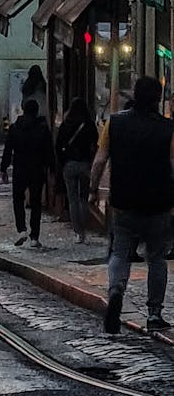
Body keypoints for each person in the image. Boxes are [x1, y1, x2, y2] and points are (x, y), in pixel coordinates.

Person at [89, 76, 174, 334]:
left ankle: (116, 290)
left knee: (119, 252)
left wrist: (93, 191)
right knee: (156, 258)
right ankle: (154, 313)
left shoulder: (114, 123)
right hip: (158, 204)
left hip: (124, 202)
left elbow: (99, 161)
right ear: (157, 99)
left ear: (134, 95)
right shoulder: (169, 129)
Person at [0, 97, 54, 249]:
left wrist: (3, 168)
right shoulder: (42, 128)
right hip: (37, 170)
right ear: (37, 111)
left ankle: (21, 229)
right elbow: (49, 151)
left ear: (23, 110)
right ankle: (34, 236)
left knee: (18, 199)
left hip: (20, 169)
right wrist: (52, 169)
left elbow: (7, 150)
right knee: (36, 203)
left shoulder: (15, 128)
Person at [55, 97, 98, 244]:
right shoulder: (89, 124)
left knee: (72, 199)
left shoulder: (66, 124)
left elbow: (58, 144)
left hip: (69, 164)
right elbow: (95, 143)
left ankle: (78, 232)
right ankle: (85, 229)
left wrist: (63, 161)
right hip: (84, 164)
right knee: (83, 198)